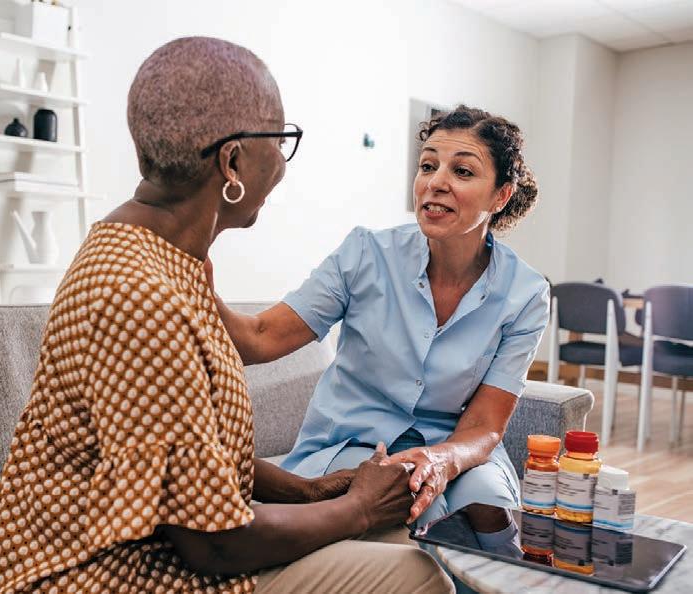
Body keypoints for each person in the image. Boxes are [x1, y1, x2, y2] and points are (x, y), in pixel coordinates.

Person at [0, 37, 452, 594]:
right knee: (418, 575)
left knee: (410, 537)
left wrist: (309, 492)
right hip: (92, 574)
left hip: (154, 548)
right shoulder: (142, 298)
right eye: (280, 141)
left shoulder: (164, 255)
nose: (283, 164)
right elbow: (213, 542)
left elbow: (182, 457)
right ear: (232, 162)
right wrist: (359, 509)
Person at [215, 104, 550, 556]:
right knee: (421, 513)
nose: (435, 182)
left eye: (462, 171)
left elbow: (486, 425)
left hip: (453, 446)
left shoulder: (525, 293)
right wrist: (190, 262)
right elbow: (260, 336)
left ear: (501, 196)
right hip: (352, 442)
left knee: (490, 513)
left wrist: (441, 459)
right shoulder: (365, 254)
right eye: (427, 166)